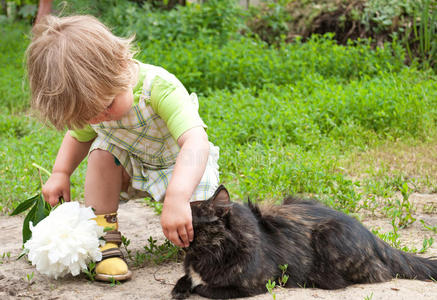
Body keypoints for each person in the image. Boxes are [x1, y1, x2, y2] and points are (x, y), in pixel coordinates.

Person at [26, 15, 220, 282]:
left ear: (122, 64)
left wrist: (177, 198)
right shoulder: (94, 107)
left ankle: (201, 228)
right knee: (102, 150)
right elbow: (78, 137)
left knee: (203, 237)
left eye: (106, 107)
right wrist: (61, 172)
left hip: (182, 168)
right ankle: (105, 241)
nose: (99, 119)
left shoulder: (159, 88)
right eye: (88, 117)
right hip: (130, 167)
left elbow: (196, 143)